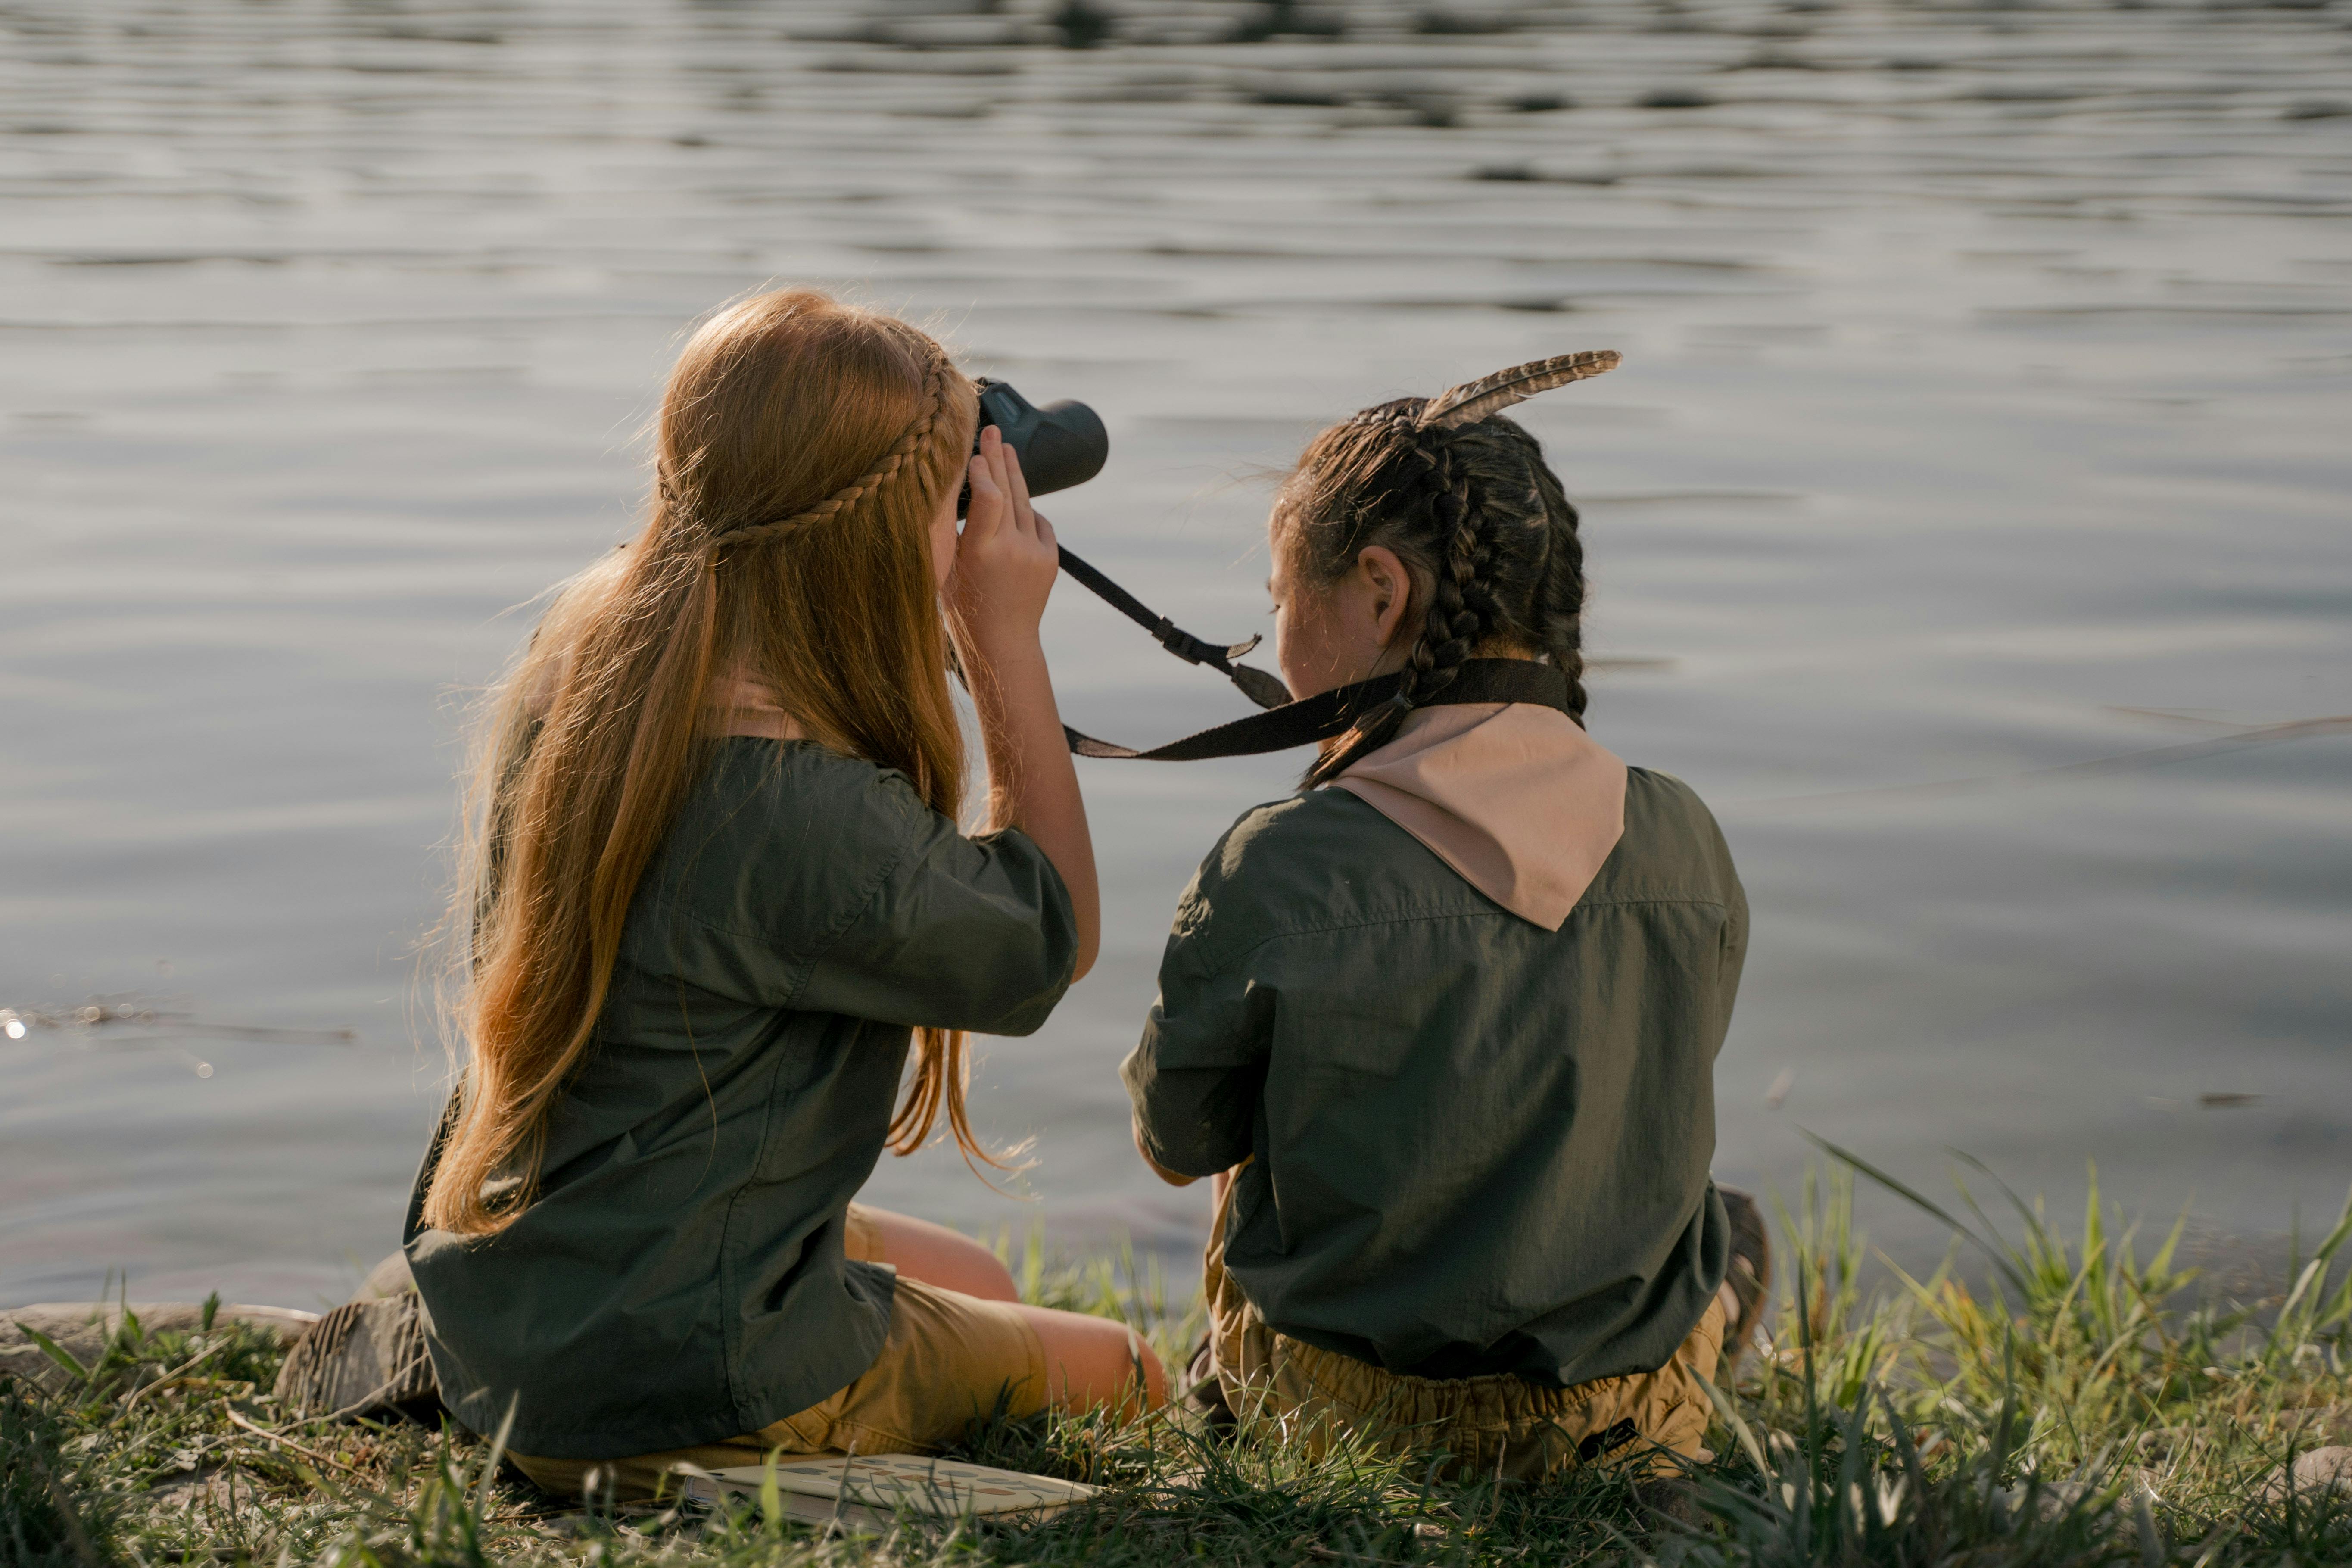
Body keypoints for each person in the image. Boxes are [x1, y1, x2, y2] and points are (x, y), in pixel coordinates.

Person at [394, 288, 1165, 1499]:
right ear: (894, 535)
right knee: (1126, 1368)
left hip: (528, 1317)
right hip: (674, 1381)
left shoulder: (588, 668)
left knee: (992, 1282)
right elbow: (1045, 941)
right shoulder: (799, 810)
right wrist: (1001, 639)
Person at [1121, 363, 1760, 1482]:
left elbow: (1179, 1145)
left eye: (1278, 602)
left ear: (1377, 592)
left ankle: (1220, 1413)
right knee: (1735, 1228)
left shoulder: (1278, 864)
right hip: (1612, 1423)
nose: (1274, 643)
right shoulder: (1683, 834)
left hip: (1335, 1415)